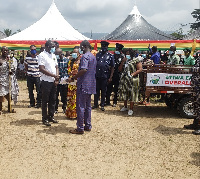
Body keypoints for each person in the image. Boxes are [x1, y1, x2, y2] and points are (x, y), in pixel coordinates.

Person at [67, 40, 96, 134]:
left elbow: (83, 69)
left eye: (80, 47)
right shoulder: (92, 56)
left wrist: (73, 78)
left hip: (83, 85)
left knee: (80, 106)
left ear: (83, 47)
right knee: (88, 106)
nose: (80, 49)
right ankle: (87, 125)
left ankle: (80, 128)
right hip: (91, 84)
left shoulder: (85, 57)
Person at [38, 40, 59, 126]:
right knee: (45, 100)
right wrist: (54, 75)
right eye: (52, 46)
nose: (54, 48)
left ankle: (51, 116)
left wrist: (56, 77)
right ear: (47, 47)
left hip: (53, 81)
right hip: (46, 81)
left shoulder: (53, 55)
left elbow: (56, 66)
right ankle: (44, 118)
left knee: (53, 99)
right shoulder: (42, 55)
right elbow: (41, 68)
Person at [118, 48, 143, 116]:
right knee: (125, 93)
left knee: (132, 94)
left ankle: (131, 109)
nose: (127, 55)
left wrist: (133, 74)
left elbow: (140, 69)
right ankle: (125, 106)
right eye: (126, 54)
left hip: (133, 80)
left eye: (128, 53)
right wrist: (122, 62)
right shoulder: (125, 60)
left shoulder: (136, 60)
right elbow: (120, 69)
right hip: (125, 80)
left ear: (131, 54)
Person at [92, 41, 114, 111]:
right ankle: (95, 104)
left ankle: (102, 104)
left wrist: (110, 77)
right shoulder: (98, 55)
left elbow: (112, 67)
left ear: (107, 47)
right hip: (97, 76)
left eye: (105, 46)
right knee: (96, 91)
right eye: (102, 46)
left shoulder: (110, 56)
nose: (103, 48)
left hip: (105, 76)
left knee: (104, 91)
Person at [183, 56, 200, 135]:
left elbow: (196, 69)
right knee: (195, 105)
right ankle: (195, 124)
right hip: (195, 87)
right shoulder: (198, 58)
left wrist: (192, 69)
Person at [0, 46, 18, 114]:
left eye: (6, 50)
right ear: (1, 51)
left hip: (10, 79)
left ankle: (9, 108)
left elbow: (14, 68)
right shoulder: (0, 59)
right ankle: (0, 109)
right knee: (1, 94)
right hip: (1, 79)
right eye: (3, 50)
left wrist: (11, 70)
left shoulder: (10, 59)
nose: (5, 51)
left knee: (10, 94)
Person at [106, 43, 124, 107]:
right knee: (109, 88)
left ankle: (115, 101)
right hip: (111, 74)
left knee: (116, 89)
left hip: (118, 75)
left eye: (118, 50)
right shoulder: (112, 56)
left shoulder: (122, 57)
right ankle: (107, 101)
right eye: (116, 49)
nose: (116, 51)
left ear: (120, 50)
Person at [65, 46, 80, 119]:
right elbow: (69, 71)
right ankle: (70, 114)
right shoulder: (71, 61)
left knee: (77, 99)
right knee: (71, 99)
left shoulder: (81, 61)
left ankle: (77, 114)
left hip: (79, 82)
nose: (74, 54)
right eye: (73, 52)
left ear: (79, 53)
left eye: (75, 52)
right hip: (72, 83)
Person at [55, 48, 69, 114]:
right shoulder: (55, 60)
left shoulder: (66, 60)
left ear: (61, 53)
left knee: (64, 96)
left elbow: (68, 69)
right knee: (55, 95)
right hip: (56, 80)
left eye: (57, 54)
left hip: (64, 81)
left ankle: (64, 108)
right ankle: (55, 108)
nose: (56, 55)